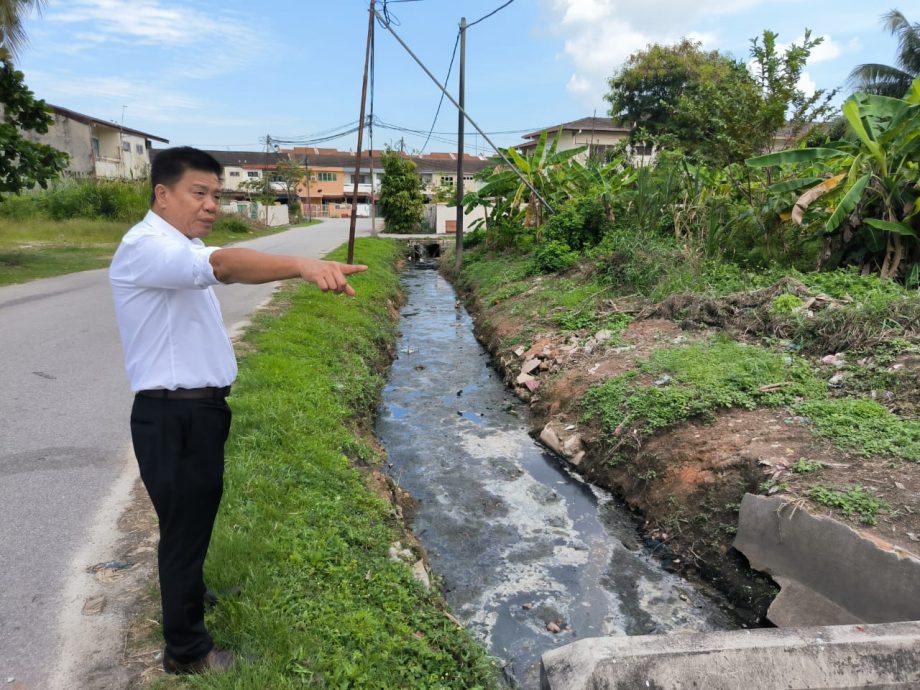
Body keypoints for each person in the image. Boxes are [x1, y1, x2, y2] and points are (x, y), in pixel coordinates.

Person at [109, 146, 366, 675]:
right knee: (182, 530)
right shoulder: (147, 247)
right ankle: (187, 652)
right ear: (162, 194)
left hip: (194, 414)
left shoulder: (178, 247)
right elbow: (224, 264)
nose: (210, 206)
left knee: (192, 518)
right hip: (173, 416)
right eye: (198, 194)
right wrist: (300, 265)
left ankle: (193, 592)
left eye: (215, 195)